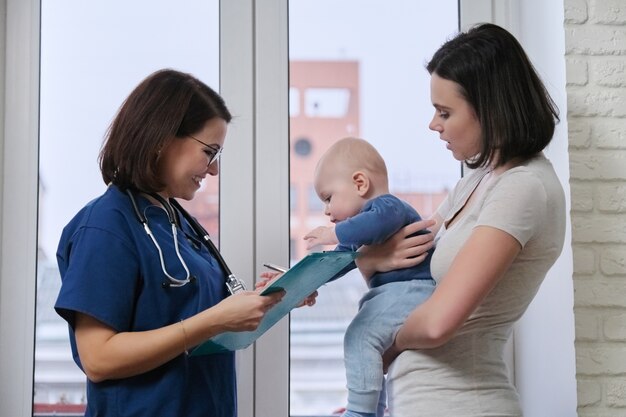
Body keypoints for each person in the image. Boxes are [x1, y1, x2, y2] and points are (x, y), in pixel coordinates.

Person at [354, 23, 566, 416]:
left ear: (490, 108)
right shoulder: (475, 184)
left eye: (445, 112)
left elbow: (437, 326)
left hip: (465, 403)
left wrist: (383, 343)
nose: (434, 124)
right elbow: (398, 266)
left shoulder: (524, 188)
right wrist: (363, 261)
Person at [54, 68, 287, 417]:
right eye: (209, 152)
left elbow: (210, 324)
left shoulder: (179, 226)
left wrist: (273, 298)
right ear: (162, 138)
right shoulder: (105, 226)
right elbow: (98, 358)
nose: (213, 170)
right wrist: (214, 320)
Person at [303, 137, 435, 417]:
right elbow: (339, 261)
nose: (326, 210)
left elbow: (374, 226)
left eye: (328, 198)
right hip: (398, 293)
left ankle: (361, 412)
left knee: (360, 336)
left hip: (412, 290)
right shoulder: (363, 230)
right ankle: (372, 409)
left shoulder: (388, 208)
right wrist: (299, 281)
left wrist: (334, 233)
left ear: (360, 184)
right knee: (367, 346)